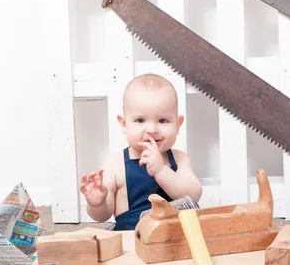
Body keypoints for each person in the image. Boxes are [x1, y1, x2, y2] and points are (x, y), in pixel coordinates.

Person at [79, 73, 202, 230]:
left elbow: (193, 196)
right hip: (131, 238)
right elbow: (102, 215)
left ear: (177, 125)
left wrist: (161, 170)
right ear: (124, 124)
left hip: (174, 236)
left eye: (163, 120)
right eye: (140, 120)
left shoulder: (178, 159)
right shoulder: (115, 164)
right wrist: (97, 203)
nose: (151, 129)